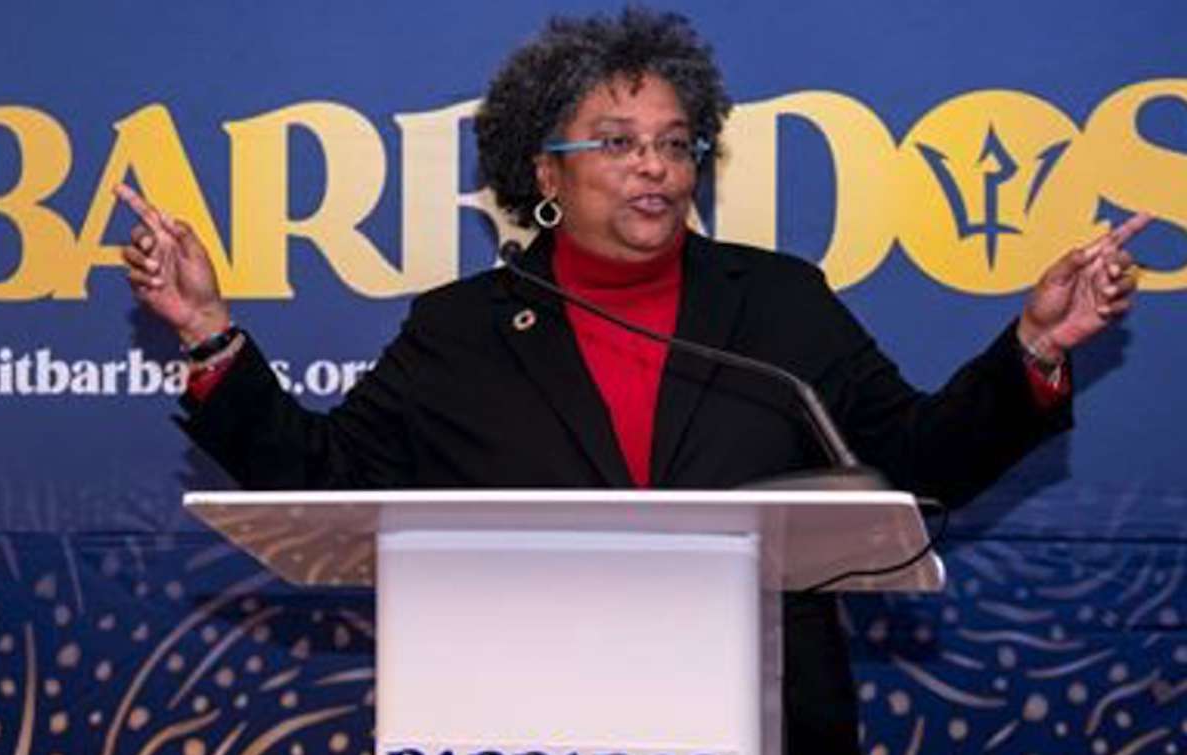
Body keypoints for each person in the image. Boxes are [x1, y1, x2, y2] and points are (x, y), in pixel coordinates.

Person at [115, 8, 1146, 754]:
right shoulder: (462, 329)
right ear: (545, 172)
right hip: (520, 713)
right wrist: (206, 332)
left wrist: (1035, 346)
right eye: (616, 144)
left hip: (765, 718)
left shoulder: (778, 304)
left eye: (673, 144)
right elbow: (323, 478)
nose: (654, 166)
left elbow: (915, 468)